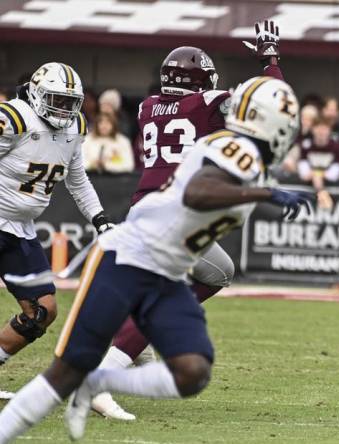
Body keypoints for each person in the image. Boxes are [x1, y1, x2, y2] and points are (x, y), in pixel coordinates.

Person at [0, 75, 309, 443]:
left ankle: (98, 379)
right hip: (129, 259)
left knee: (193, 370)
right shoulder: (234, 150)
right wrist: (267, 193)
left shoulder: (247, 159)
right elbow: (197, 193)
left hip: (167, 273)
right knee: (64, 372)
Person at [89, 20, 287, 420]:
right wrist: (269, 59)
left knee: (218, 270)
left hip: (145, 207)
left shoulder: (147, 108)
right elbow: (271, 100)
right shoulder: (207, 102)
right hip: (174, 212)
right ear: (200, 80)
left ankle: (134, 339)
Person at [0, 63, 113, 399]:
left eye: (69, 101)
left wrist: (100, 219)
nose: (63, 109)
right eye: (56, 100)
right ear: (36, 93)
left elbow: (77, 180)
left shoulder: (74, 127)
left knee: (42, 310)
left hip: (20, 230)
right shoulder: (14, 118)